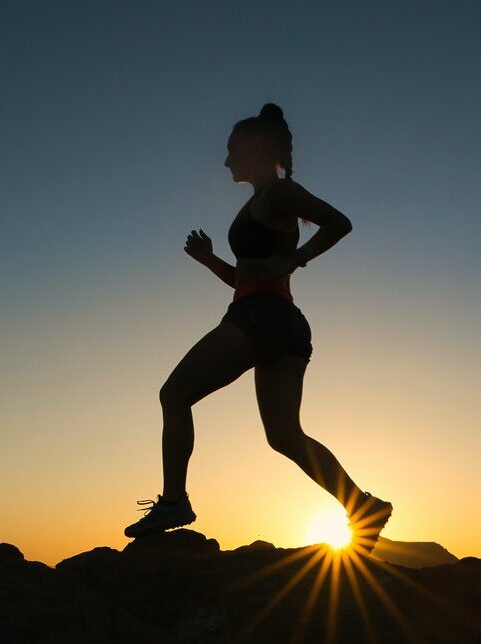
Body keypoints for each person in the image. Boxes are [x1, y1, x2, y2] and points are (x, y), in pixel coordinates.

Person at [124, 103, 392, 554]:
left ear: (253, 148)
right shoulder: (262, 200)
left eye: (231, 151)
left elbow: (339, 223)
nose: (226, 161)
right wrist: (210, 260)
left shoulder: (276, 194)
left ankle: (174, 502)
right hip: (281, 321)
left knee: (174, 394)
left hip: (260, 317)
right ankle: (363, 506)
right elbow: (246, 277)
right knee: (284, 435)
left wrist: (295, 258)